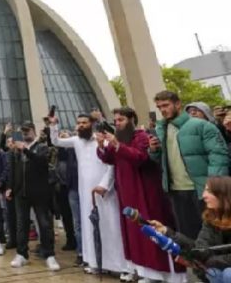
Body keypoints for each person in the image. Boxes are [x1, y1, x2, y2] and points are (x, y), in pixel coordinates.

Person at [97, 107, 185, 283]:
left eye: (121, 120)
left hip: (145, 193)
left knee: (152, 231)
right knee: (136, 236)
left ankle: (167, 275)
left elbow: (140, 158)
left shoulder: (141, 137)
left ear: (131, 120)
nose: (117, 124)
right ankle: (149, 274)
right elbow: (110, 159)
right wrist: (102, 147)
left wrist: (117, 145)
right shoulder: (120, 139)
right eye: (115, 121)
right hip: (127, 193)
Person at [49, 113, 125, 275]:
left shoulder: (102, 140)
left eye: (84, 122)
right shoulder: (76, 140)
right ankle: (95, 262)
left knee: (110, 225)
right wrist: (53, 125)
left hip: (105, 191)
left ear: (92, 124)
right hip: (85, 193)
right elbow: (56, 141)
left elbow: (111, 165)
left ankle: (119, 266)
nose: (81, 125)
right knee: (88, 226)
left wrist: (105, 185)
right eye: (78, 123)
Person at [149, 90, 229, 239]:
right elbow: (161, 161)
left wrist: (213, 187)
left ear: (178, 104)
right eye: (159, 107)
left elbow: (219, 156)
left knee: (214, 238)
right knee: (188, 238)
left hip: (201, 191)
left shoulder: (201, 126)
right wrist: (153, 151)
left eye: (165, 105)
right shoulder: (162, 129)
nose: (162, 110)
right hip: (176, 192)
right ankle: (194, 263)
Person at [150, 176, 231, 283]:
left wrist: (211, 261)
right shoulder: (211, 219)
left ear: (222, 195)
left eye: (209, 191)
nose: (203, 196)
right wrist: (167, 232)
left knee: (226, 274)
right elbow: (200, 249)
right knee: (214, 273)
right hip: (218, 268)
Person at [7, 121, 60, 271]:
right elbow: (13, 168)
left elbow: (42, 163)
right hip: (21, 193)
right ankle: (21, 254)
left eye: (28, 130)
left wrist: (26, 151)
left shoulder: (42, 147)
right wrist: (10, 187)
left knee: (44, 224)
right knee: (21, 225)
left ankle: (49, 254)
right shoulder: (16, 150)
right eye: (23, 131)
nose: (25, 133)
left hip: (39, 192)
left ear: (33, 131)